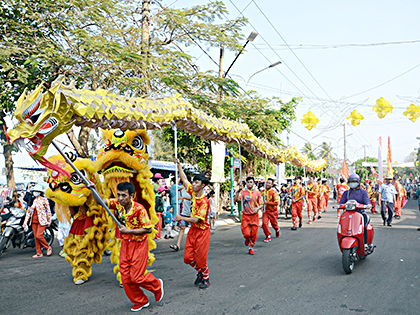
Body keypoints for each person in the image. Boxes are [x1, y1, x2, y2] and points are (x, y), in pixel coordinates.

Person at [91, 181, 164, 312]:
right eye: (118, 195)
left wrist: (129, 231)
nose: (120, 198)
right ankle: (140, 300)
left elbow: (148, 230)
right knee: (125, 276)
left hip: (139, 244)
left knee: (136, 276)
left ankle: (156, 285)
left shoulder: (139, 209)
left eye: (124, 195)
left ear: (131, 195)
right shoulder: (118, 205)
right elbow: (100, 202)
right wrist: (94, 189)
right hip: (126, 244)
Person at [174, 158, 211, 289]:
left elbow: (196, 219)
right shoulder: (194, 194)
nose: (193, 184)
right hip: (193, 231)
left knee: (201, 259)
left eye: (196, 182)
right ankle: (200, 272)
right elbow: (184, 179)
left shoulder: (204, 201)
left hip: (202, 232)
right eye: (193, 182)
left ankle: (206, 278)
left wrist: (181, 217)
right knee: (187, 258)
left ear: (203, 186)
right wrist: (179, 165)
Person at [338, 174, 372, 247]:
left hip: (360, 213)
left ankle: (365, 243)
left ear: (358, 182)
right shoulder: (346, 193)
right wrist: (338, 206)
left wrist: (368, 205)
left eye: (354, 181)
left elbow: (367, 202)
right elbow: (341, 203)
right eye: (350, 181)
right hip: (348, 214)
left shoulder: (363, 192)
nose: (352, 183)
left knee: (364, 226)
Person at [234, 177, 263, 255]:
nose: (249, 183)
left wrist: (257, 208)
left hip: (254, 216)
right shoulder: (243, 193)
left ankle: (251, 247)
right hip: (245, 216)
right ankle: (247, 238)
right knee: (246, 233)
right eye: (248, 182)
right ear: (246, 183)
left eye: (251, 182)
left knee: (254, 234)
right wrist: (238, 191)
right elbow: (236, 200)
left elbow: (262, 204)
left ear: (253, 183)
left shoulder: (257, 193)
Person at [22, 185, 52, 258]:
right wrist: (25, 222)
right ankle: (39, 252)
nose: (35, 193)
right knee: (36, 237)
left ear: (40, 192)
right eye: (34, 191)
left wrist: (49, 220)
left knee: (39, 235)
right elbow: (29, 212)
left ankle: (48, 247)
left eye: (36, 191)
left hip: (42, 220)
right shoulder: (32, 200)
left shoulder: (44, 200)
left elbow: (48, 210)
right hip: (33, 221)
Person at [170, 181, 192, 252]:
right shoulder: (179, 190)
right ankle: (178, 245)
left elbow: (192, 198)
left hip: (191, 212)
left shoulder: (192, 191)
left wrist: (183, 197)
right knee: (182, 228)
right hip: (183, 212)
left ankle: (193, 245)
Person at [261, 178, 280, 243]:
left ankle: (277, 229)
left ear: (272, 185)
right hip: (265, 211)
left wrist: (267, 202)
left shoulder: (274, 193)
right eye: (267, 182)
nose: (267, 184)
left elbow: (276, 203)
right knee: (264, 223)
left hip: (273, 211)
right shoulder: (262, 192)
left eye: (269, 183)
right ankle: (268, 236)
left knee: (274, 224)